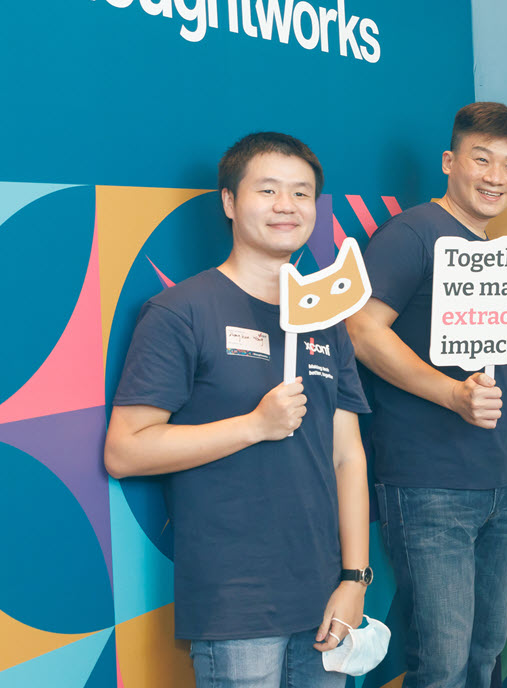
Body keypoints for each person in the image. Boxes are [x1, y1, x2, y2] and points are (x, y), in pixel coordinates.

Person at [104, 132, 372, 688]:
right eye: (268, 190)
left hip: (325, 593)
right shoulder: (180, 312)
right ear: (229, 202)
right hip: (236, 601)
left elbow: (347, 456)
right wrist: (254, 426)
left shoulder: (324, 317)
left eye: (302, 194)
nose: (286, 206)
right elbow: (126, 449)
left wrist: (355, 577)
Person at [345, 102, 507, 688]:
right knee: (443, 665)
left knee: (485, 654)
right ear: (451, 161)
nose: (496, 177)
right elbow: (360, 330)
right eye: (482, 160)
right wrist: (452, 395)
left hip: (501, 482)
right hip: (430, 486)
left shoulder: (488, 246)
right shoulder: (413, 233)